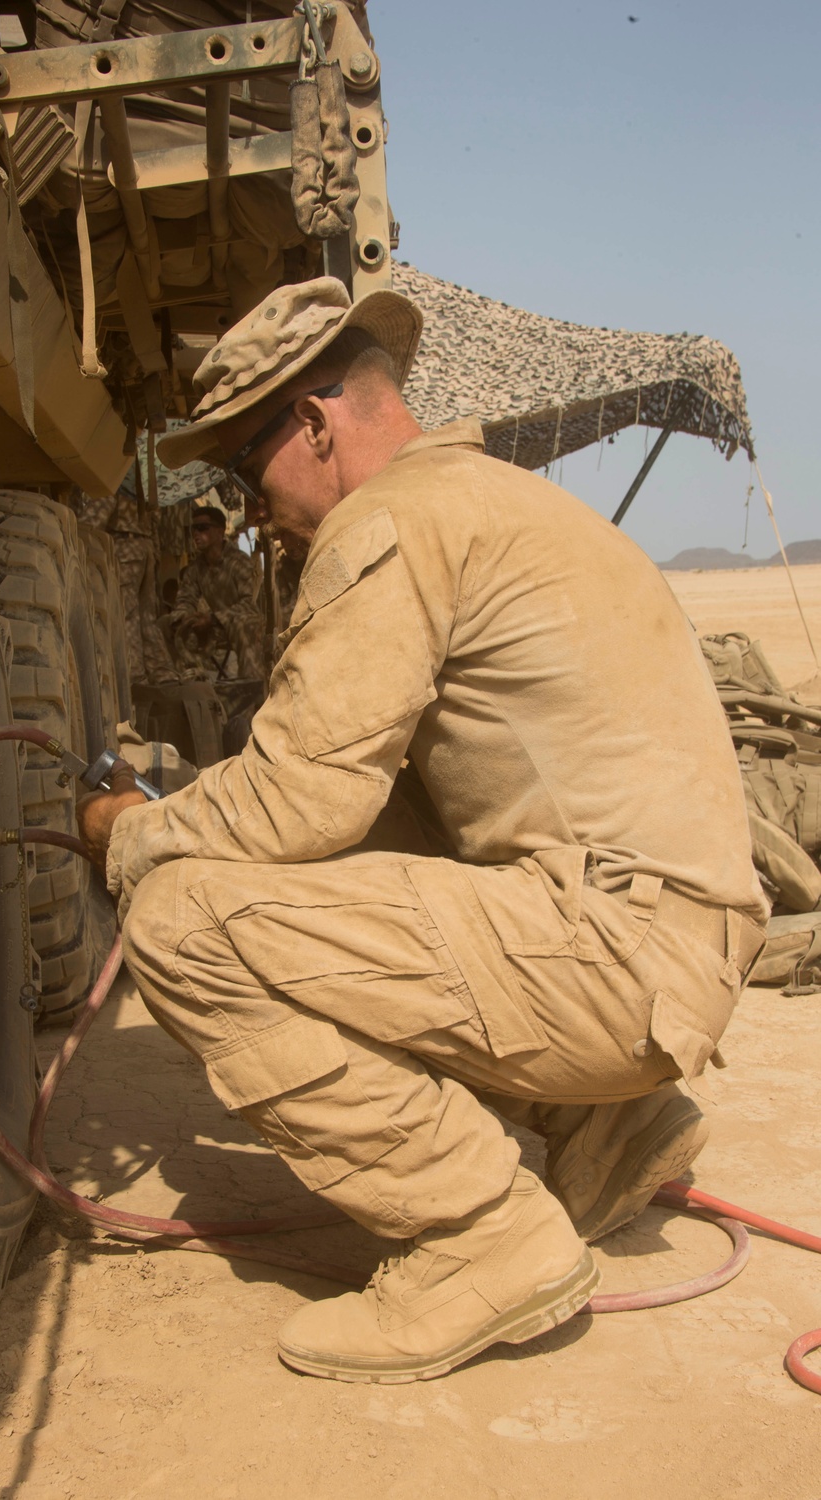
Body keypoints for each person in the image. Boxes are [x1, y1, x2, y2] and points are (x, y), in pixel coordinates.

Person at [77, 277, 767, 1385]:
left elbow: (299, 799)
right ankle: (608, 1127)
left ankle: (477, 1238)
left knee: (181, 921)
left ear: (313, 424)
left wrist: (129, 831)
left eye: (247, 471)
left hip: (617, 958)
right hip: (666, 945)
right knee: (345, 858)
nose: (251, 511)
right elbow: (358, 810)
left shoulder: (388, 519)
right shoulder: (493, 498)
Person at [78, 483, 179, 686]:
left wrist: (76, 534)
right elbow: (155, 517)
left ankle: (135, 677)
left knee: (126, 614)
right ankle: (162, 674)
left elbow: (99, 512)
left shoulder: (114, 474)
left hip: (124, 545)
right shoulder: (140, 475)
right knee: (147, 618)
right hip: (145, 546)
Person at [169, 502, 265, 680]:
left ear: (220, 531)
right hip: (213, 629)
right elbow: (185, 599)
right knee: (166, 624)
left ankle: (252, 687)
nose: (196, 534)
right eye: (193, 529)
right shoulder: (196, 568)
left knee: (244, 624)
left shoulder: (239, 561)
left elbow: (248, 604)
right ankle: (179, 681)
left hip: (240, 624)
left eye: (202, 528)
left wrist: (213, 618)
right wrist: (185, 618)